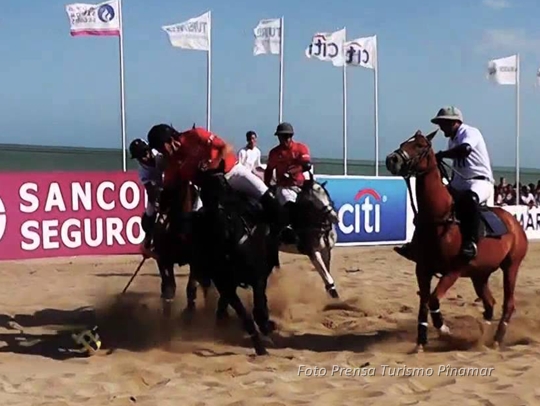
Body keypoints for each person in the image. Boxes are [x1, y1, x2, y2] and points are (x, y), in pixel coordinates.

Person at [395, 106, 495, 261]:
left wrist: (442, 154)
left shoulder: (469, 132)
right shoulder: (452, 140)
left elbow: (465, 149)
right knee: (432, 205)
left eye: (443, 123)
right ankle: (416, 244)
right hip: (458, 183)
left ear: (455, 122)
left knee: (469, 200)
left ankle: (470, 243)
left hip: (479, 182)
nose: (441, 127)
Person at [146, 124, 285, 233]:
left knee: (266, 194)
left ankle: (280, 232)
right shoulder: (171, 162)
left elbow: (226, 146)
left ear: (170, 140)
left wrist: (215, 161)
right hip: (209, 190)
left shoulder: (195, 135)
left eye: (160, 147)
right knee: (198, 222)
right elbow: (169, 185)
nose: (160, 151)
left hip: (233, 173)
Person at [264, 122, 312, 242]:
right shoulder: (274, 153)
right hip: (284, 186)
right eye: (282, 137)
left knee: (319, 200)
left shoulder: (301, 148)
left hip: (301, 185)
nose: (284, 139)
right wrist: (267, 185)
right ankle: (290, 229)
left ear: (291, 136)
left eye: (287, 136)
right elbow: (269, 170)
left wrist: (296, 169)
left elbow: (307, 165)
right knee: (288, 201)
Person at [129, 138, 166, 258]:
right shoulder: (143, 172)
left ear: (149, 150)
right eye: (140, 157)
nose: (144, 158)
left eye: (144, 153)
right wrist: (157, 203)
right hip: (159, 190)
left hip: (175, 180)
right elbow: (150, 191)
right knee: (149, 213)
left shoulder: (161, 155)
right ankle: (148, 240)